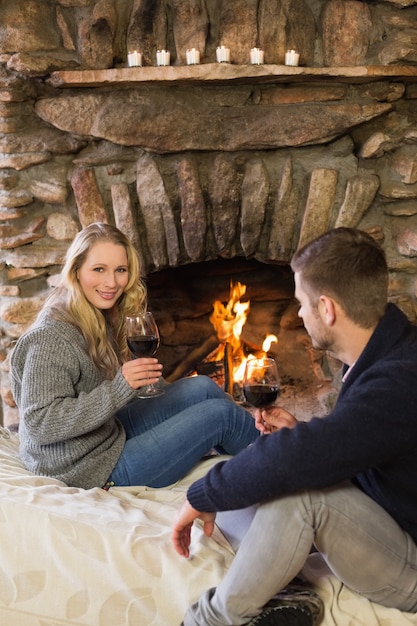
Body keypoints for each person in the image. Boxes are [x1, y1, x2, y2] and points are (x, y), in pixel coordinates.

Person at [172, 227, 417, 626]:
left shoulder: (399, 379)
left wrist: (203, 493)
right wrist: (300, 431)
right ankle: (290, 590)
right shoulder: (385, 353)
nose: (299, 314)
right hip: (389, 514)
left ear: (327, 309)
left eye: (302, 303)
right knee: (256, 468)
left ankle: (209, 620)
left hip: (410, 562)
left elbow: (304, 457)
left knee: (297, 493)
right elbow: (362, 441)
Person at [10, 222, 259, 490]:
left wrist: (153, 390)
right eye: (99, 269)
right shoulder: (52, 337)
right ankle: (287, 468)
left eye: (121, 270)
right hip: (82, 468)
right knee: (222, 416)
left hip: (101, 438)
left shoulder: (93, 312)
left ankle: (249, 468)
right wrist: (120, 388)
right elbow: (40, 424)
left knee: (203, 387)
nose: (112, 282)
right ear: (76, 272)